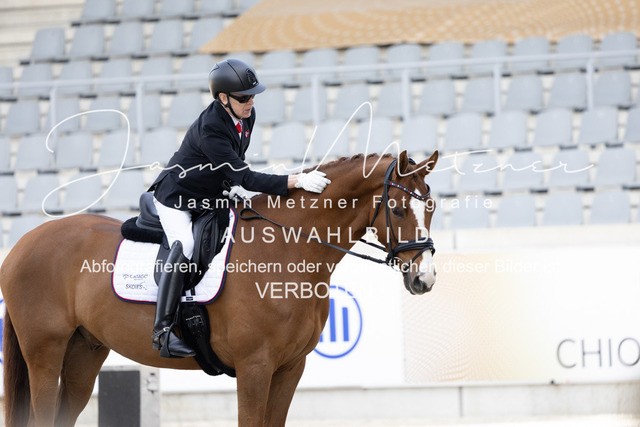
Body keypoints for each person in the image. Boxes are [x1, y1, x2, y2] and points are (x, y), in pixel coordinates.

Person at [148, 58, 331, 358]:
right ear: (223, 98)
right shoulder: (211, 129)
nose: (251, 102)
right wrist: (296, 180)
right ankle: (162, 331)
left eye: (253, 96)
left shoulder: (247, 115)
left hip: (209, 195)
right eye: (244, 98)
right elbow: (245, 176)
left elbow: (233, 165)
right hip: (177, 197)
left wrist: (229, 185)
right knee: (186, 244)